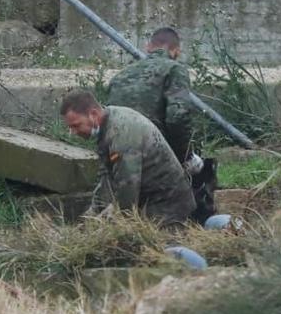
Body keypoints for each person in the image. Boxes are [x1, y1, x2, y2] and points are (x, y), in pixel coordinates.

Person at [104, 26, 216, 221]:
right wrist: (186, 157)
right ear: (177, 51)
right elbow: (178, 117)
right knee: (203, 172)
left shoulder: (119, 77)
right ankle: (197, 222)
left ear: (148, 47)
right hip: (154, 155)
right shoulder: (174, 69)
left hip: (119, 158)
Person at [60, 90, 195, 228]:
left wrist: (111, 226)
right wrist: (89, 220)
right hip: (148, 200)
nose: (73, 133)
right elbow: (106, 179)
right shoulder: (107, 125)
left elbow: (127, 191)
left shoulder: (122, 136)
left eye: (76, 125)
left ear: (93, 114)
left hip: (168, 208)